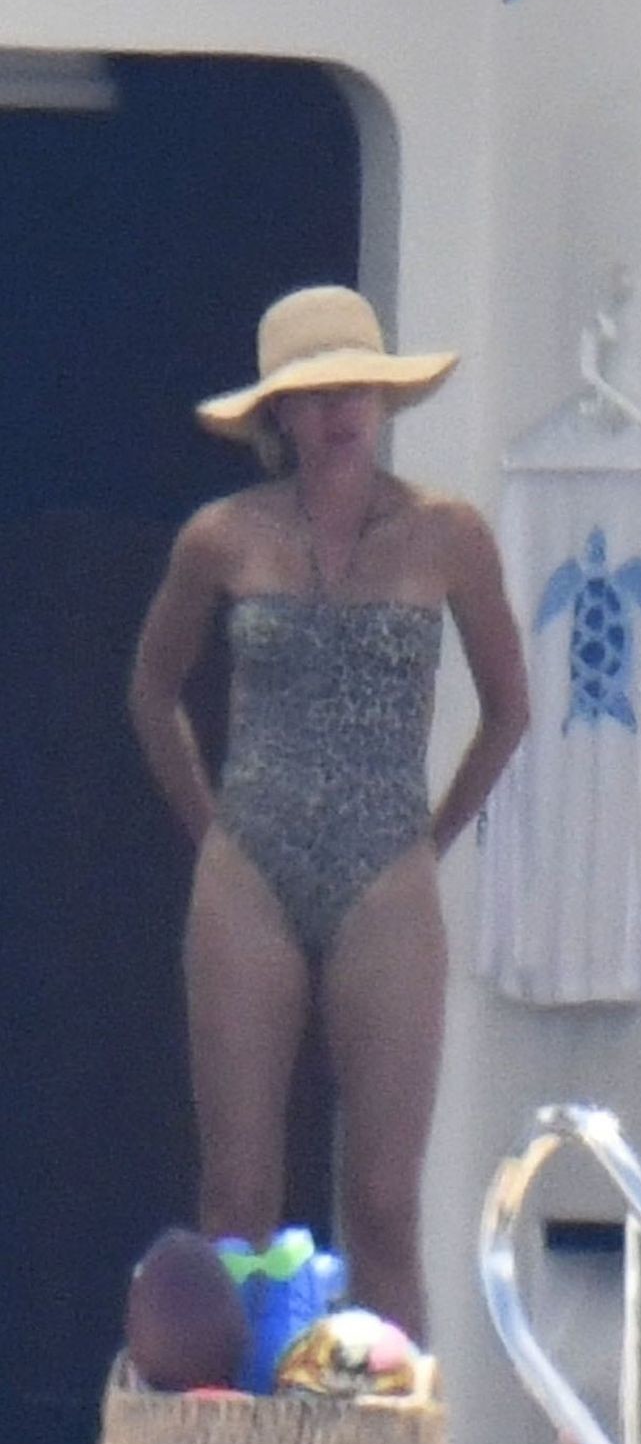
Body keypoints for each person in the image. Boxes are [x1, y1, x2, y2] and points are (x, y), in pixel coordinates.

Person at [129, 284, 529, 1344]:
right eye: (312, 394)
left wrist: (427, 841)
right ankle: (230, 1432)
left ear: (383, 397)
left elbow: (509, 709)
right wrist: (211, 829)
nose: (338, 409)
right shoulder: (222, 537)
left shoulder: (448, 534)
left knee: (385, 1206)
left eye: (354, 387)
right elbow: (153, 691)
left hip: (385, 864)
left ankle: (390, 1433)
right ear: (279, 415)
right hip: (249, 863)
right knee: (237, 1199)